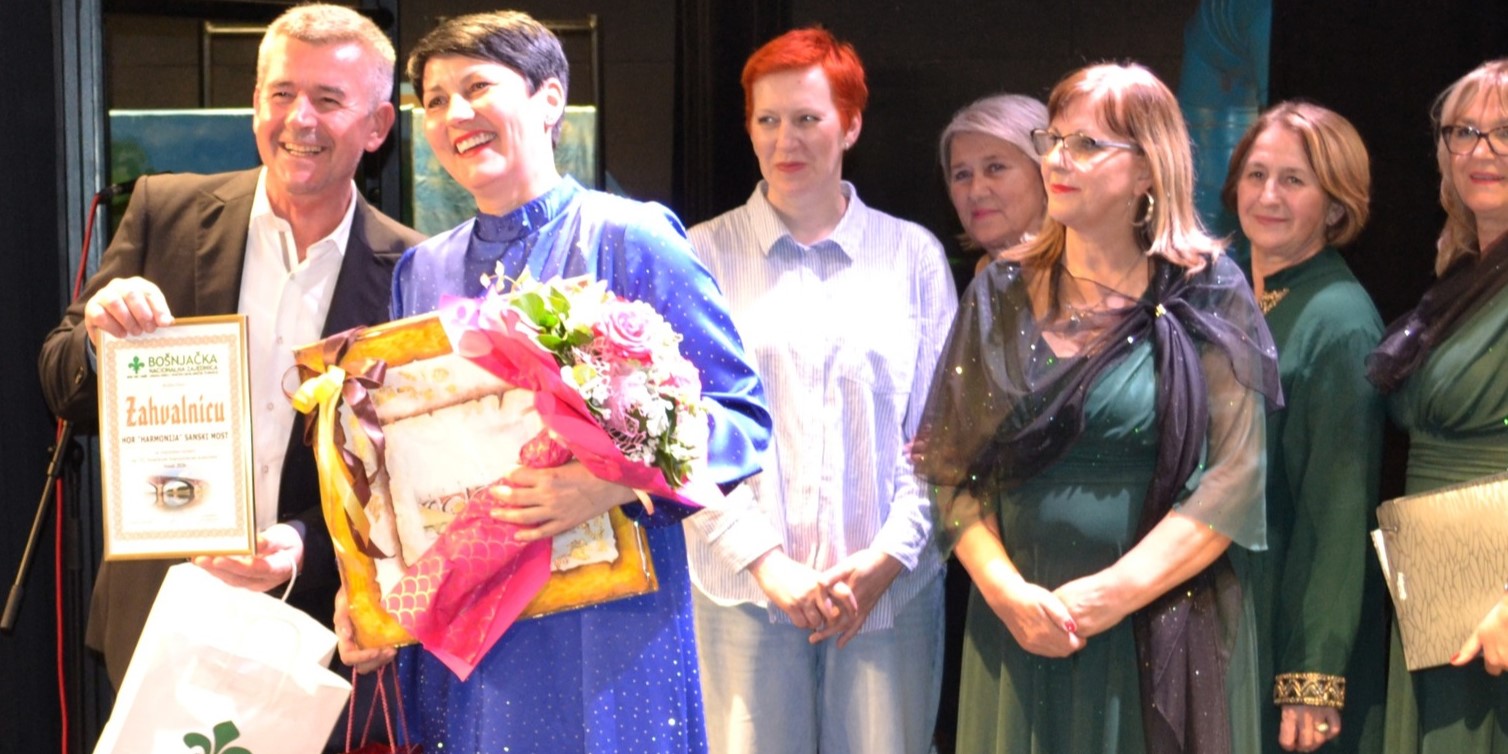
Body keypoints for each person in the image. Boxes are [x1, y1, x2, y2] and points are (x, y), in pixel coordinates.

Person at [340, 12, 771, 753]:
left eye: (478, 87)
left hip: (604, 629)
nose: (454, 114)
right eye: (435, 100)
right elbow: (392, 469)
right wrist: (369, 594)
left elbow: (741, 420)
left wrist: (609, 485)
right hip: (464, 636)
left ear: (549, 99)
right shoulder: (422, 270)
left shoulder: (630, 237)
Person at [35, 2, 420, 701]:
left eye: (328, 100)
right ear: (255, 105)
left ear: (377, 126)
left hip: (320, 635)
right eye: (282, 93)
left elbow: (412, 473)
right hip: (164, 617)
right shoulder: (165, 213)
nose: (299, 119)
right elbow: (62, 385)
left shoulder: (413, 272)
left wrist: (306, 545)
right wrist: (96, 341)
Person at [912, 61, 1283, 753]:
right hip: (1020, 623)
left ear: (1147, 170)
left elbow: (1235, 478)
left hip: (1156, 620)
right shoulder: (1000, 292)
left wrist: (1111, 595)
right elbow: (951, 470)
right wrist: (1006, 594)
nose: (1058, 159)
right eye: (1053, 140)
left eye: (1086, 144)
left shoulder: (1206, 290)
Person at [679, 28, 956, 754]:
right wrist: (765, 561)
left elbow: (944, 435)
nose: (785, 140)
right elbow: (676, 433)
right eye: (767, 119)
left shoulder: (913, 256)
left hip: (888, 595)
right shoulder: (700, 254)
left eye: (807, 118)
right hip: (743, 589)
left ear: (851, 125)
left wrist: (889, 555)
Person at [1223, 101, 1385, 754]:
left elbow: (1337, 513)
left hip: (1281, 621)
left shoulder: (1339, 321)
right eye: (1256, 174)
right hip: (1228, 610)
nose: (1268, 196)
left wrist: (1312, 674)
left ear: (1336, 205)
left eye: (1293, 180)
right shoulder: (1238, 299)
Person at [1368, 58, 1508, 754]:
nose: (1482, 150)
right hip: (1440, 583)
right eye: (1464, 131)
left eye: (1506, 132)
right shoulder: (1462, 273)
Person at [939, 93, 1049, 275]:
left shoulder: (1088, 278)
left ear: (1046, 173)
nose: (976, 191)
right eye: (962, 175)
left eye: (995, 167)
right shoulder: (975, 278)